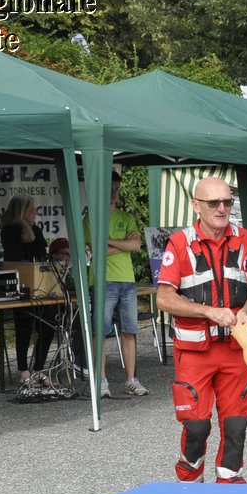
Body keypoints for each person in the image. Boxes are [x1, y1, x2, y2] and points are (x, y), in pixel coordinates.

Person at [154, 175, 247, 483]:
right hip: (194, 352)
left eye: (227, 202)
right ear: (196, 205)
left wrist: (246, 310)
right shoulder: (179, 243)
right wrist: (208, 311)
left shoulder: (244, 240)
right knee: (196, 425)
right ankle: (190, 479)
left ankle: (230, 490)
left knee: (236, 425)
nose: (222, 208)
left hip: (236, 349)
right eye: (214, 202)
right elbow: (164, 298)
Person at [97, 169, 146, 397]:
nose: (114, 193)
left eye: (116, 189)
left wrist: (106, 241)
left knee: (130, 331)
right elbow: (94, 252)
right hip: (103, 279)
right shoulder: (92, 219)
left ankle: (131, 380)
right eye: (110, 189)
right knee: (102, 332)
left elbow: (136, 246)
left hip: (127, 280)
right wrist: (121, 244)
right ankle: (102, 380)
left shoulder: (127, 218)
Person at [0, 195, 56, 392]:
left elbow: (39, 252)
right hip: (18, 284)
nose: (35, 213)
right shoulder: (8, 231)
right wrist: (22, 223)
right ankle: (23, 370)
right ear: (21, 212)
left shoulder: (37, 230)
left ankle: (39, 368)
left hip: (39, 284)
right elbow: (20, 247)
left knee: (48, 325)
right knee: (23, 326)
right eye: (31, 210)